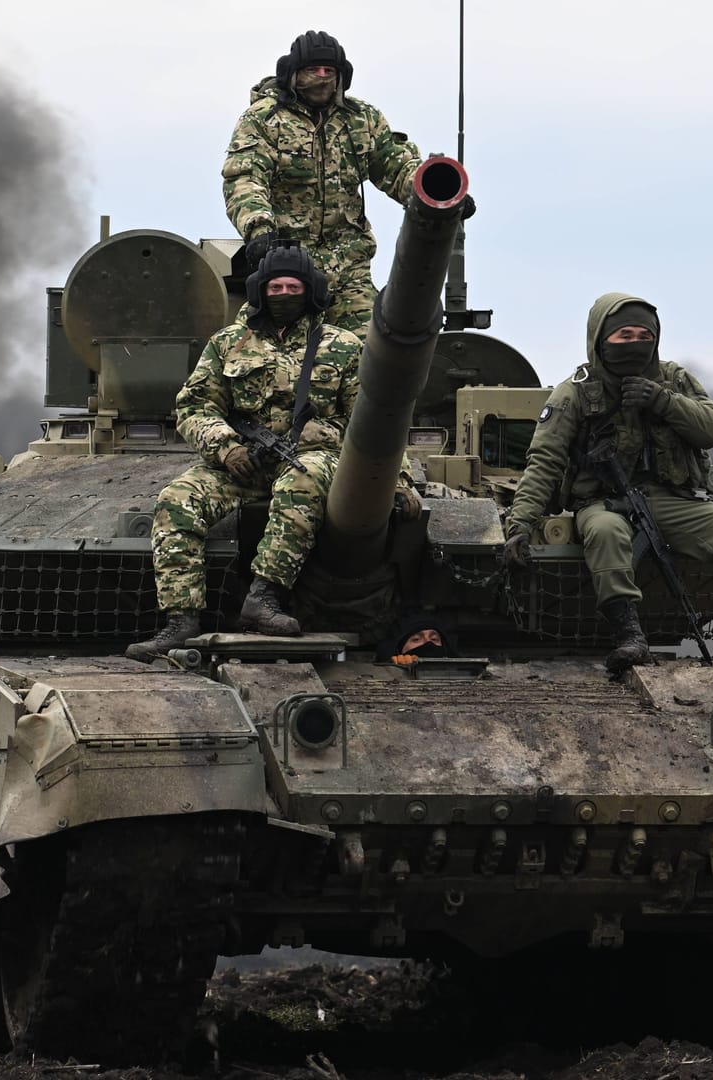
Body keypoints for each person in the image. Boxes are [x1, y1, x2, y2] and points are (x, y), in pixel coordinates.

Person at [129, 245, 408, 660]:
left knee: (304, 480)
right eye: (275, 286)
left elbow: (374, 421)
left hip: (315, 459)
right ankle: (181, 620)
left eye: (293, 286)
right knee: (177, 499)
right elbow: (195, 405)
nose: (283, 294)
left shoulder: (344, 347)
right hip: (243, 463)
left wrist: (397, 480)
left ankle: (264, 597)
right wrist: (224, 447)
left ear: (310, 291)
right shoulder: (228, 344)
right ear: (260, 291)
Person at [499, 293, 713, 676]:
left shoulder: (674, 380)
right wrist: (520, 524)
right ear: (601, 339)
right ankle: (630, 636)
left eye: (643, 334)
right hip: (603, 502)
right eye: (623, 335)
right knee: (605, 534)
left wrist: (662, 401)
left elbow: (712, 429)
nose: (635, 343)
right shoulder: (574, 392)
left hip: (672, 500)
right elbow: (545, 462)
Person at [223, 31, 471, 334]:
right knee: (260, 350)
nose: (323, 78)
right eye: (314, 70)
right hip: (285, 266)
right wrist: (259, 229)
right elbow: (245, 177)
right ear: (294, 74)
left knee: (374, 350)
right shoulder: (265, 119)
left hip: (349, 265)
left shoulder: (360, 120)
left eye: (330, 72)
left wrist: (438, 195)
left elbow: (394, 166)